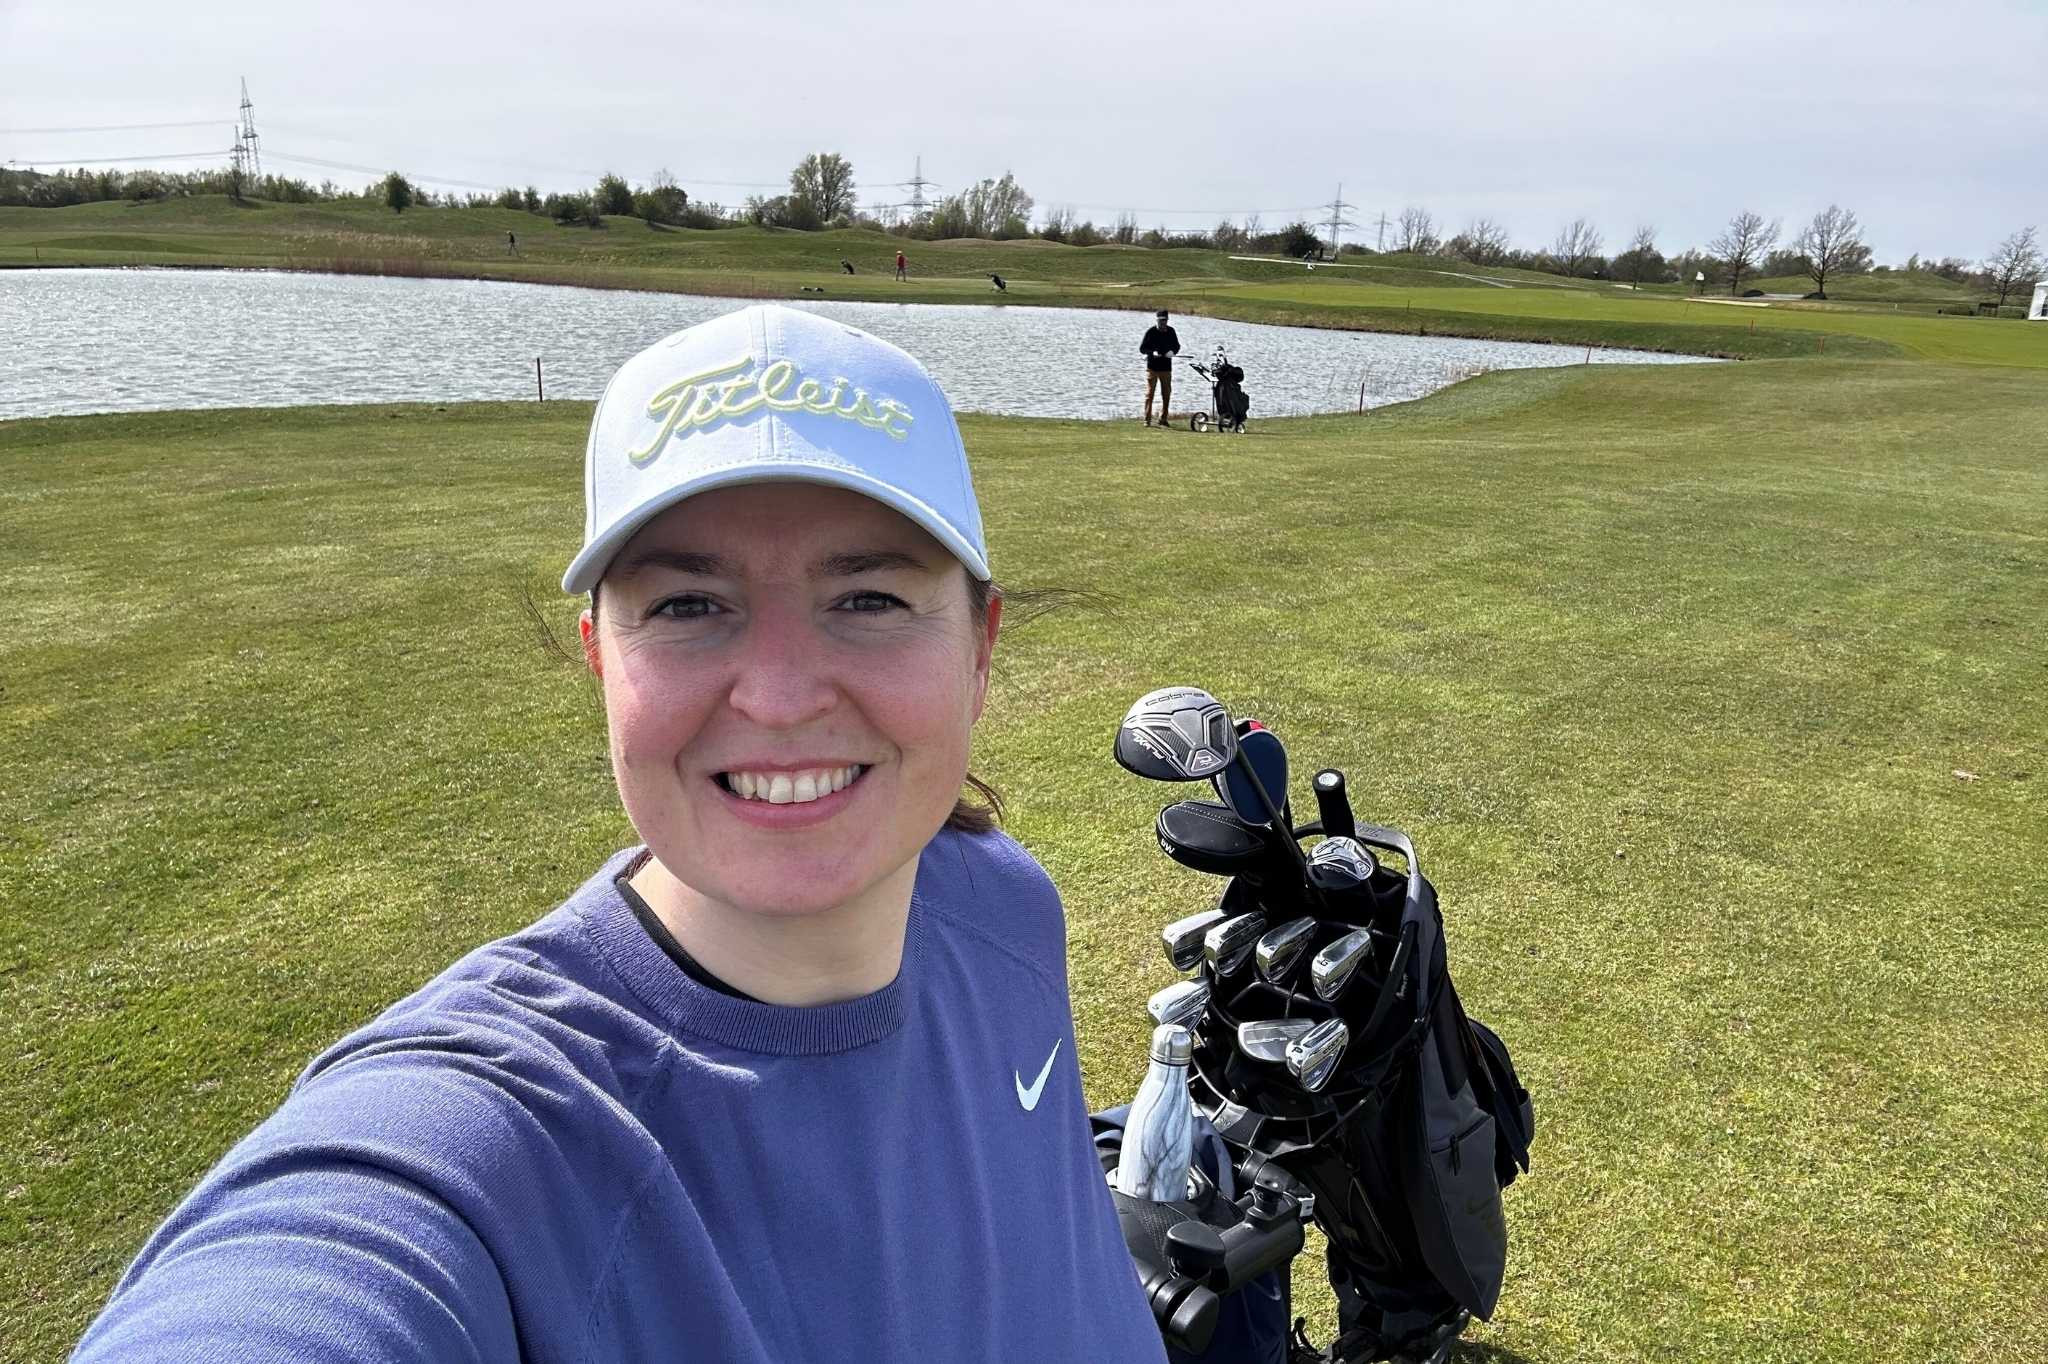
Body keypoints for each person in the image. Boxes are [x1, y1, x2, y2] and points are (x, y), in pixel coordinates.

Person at [72, 305, 1169, 1363]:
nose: (781, 696)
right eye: (690, 605)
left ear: (978, 647)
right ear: (602, 655)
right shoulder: (486, 1146)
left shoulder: (1000, 898)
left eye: (869, 597)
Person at [1140, 308, 1180, 427]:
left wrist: (1173, 352)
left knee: (1166, 394)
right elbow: (1142, 349)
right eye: (1161, 320)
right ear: (1157, 320)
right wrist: (1152, 353)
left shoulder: (1171, 331)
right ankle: (1147, 419)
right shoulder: (1151, 332)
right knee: (1149, 394)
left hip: (1166, 368)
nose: (1163, 323)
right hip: (1152, 368)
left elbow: (1177, 346)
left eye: (1165, 320)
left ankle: (1163, 419)